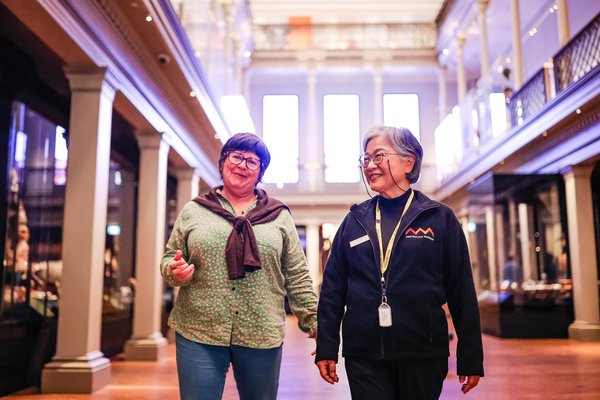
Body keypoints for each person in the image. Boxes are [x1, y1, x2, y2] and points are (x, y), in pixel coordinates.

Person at [315, 126, 484, 399]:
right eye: (366, 159)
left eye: (379, 156)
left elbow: (461, 290)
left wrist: (470, 356)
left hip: (423, 351)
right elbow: (333, 289)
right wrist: (327, 346)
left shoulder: (439, 219)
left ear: (408, 162)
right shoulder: (354, 220)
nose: (370, 165)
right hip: (364, 353)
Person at [160, 133, 318, 400]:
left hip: (261, 331)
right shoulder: (194, 210)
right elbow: (168, 258)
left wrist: (314, 321)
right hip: (199, 329)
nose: (242, 165)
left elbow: (297, 273)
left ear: (260, 173)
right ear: (223, 162)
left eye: (252, 161)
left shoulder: (279, 215)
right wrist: (173, 271)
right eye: (236, 157)